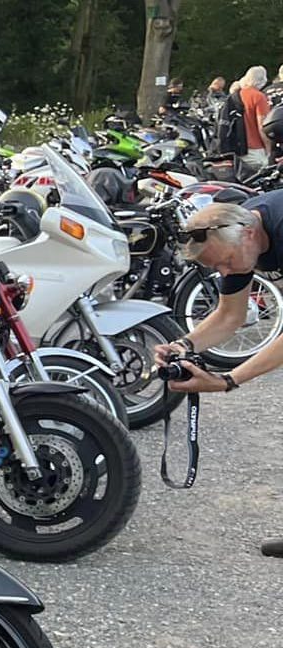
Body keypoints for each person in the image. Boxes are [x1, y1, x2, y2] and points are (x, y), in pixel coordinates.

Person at [159, 196, 283, 555]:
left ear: (249, 234)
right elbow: (230, 315)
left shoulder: (264, 227)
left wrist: (228, 380)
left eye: (226, 262)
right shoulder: (236, 234)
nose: (226, 273)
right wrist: (183, 345)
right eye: (217, 267)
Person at [235, 67, 275, 169]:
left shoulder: (235, 96)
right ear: (262, 80)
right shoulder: (258, 96)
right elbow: (263, 126)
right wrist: (269, 149)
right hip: (255, 149)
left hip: (237, 149)